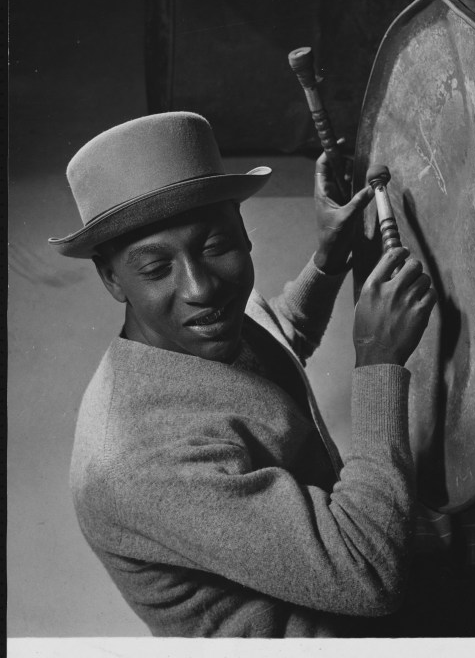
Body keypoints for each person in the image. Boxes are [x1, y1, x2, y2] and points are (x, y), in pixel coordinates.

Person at [49, 111, 437, 638]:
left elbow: (268, 343)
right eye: (156, 268)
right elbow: (367, 574)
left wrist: (327, 262)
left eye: (215, 246)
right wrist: (378, 359)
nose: (201, 288)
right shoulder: (136, 463)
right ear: (111, 279)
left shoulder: (195, 330)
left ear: (243, 231)